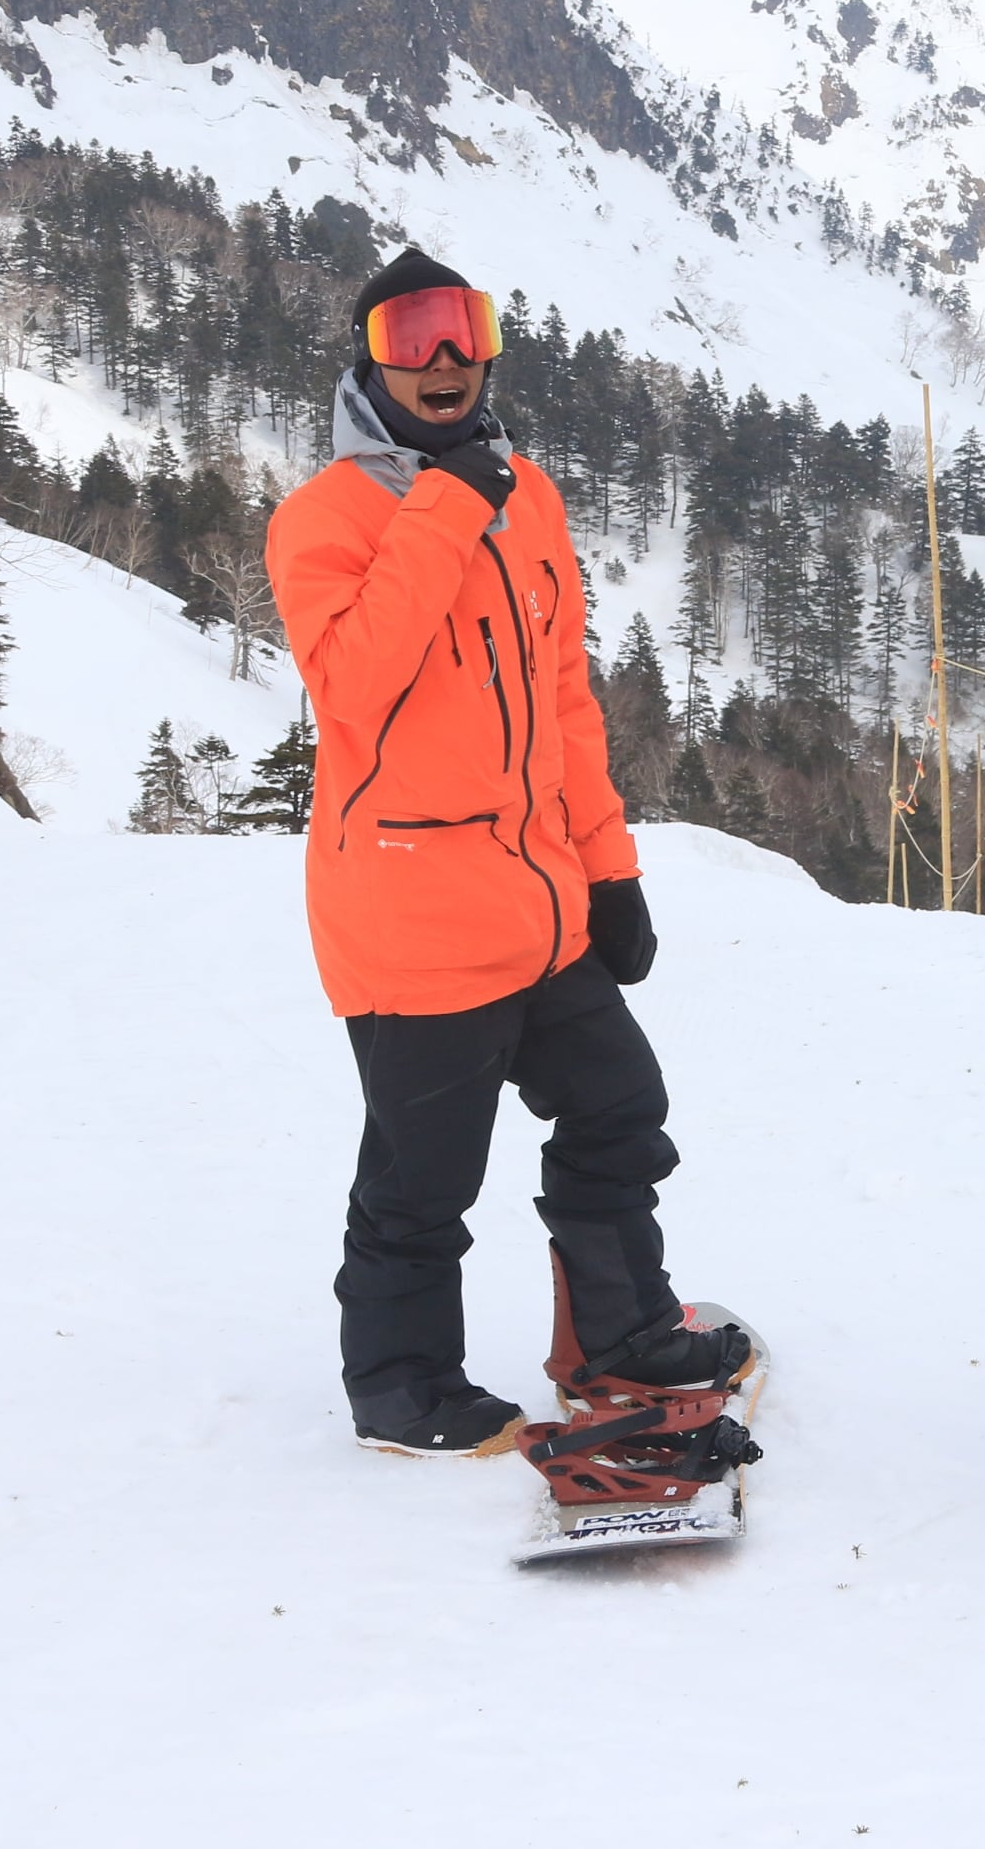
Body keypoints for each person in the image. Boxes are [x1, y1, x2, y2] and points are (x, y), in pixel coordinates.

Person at [266, 248, 751, 1456]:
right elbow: (356, 687)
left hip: (537, 911)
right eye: (411, 336)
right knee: (421, 1184)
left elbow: (563, 703)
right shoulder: (320, 521)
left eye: (462, 330)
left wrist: (611, 867)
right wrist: (442, 501)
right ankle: (400, 1387)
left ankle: (619, 1336)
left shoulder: (526, 494)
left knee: (619, 1109)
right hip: (411, 921)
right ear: (369, 360)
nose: (442, 360)